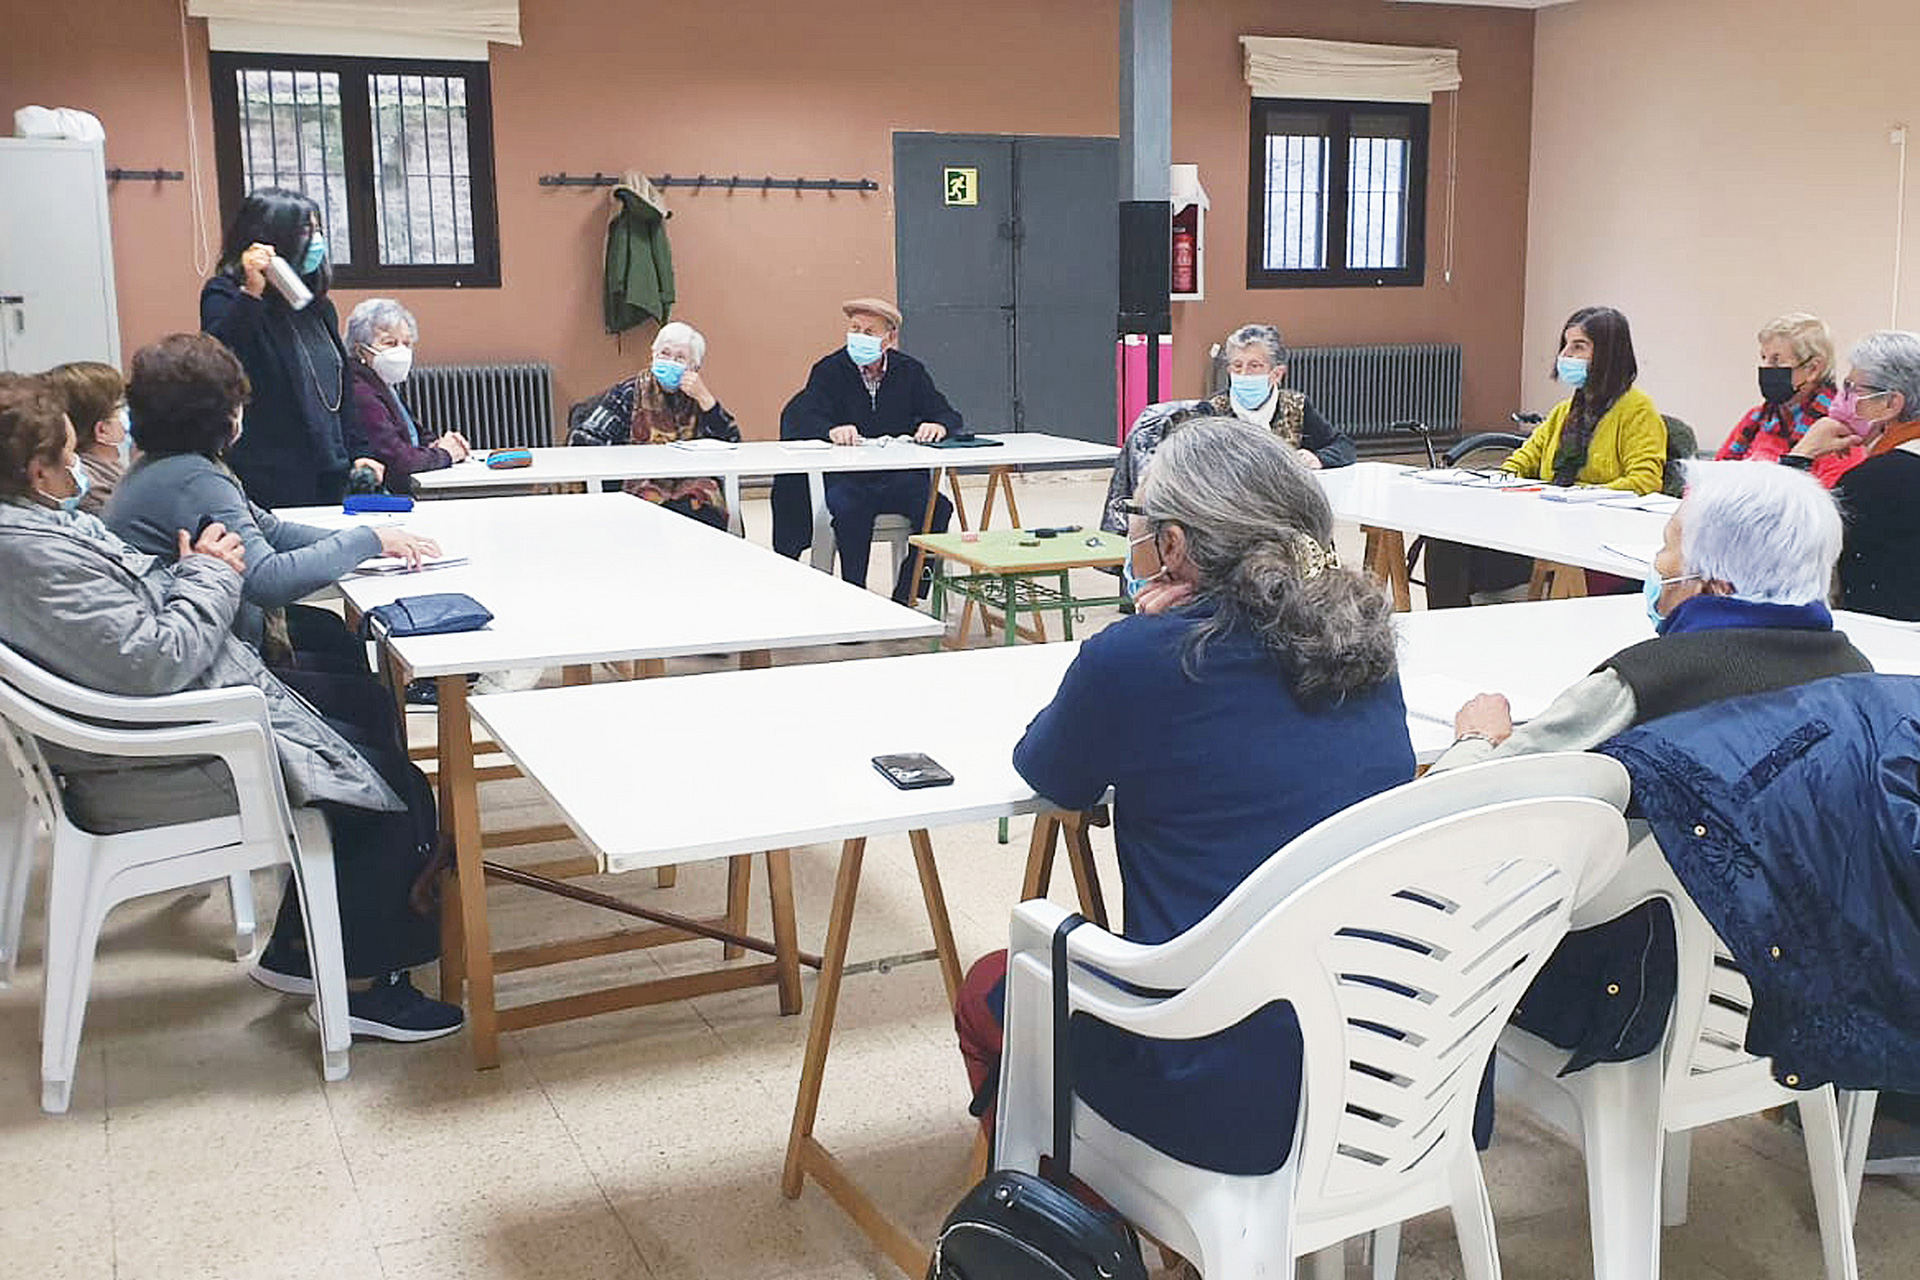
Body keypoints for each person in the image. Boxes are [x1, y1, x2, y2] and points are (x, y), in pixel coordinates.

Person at [954, 419, 1415, 1176]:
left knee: (993, 987)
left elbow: (1050, 770)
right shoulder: (1366, 645)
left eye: (1141, 520)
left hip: (1220, 1092)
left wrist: (1131, 635)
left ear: (1172, 546)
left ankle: (1078, 1202)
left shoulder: (1138, 660)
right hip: (1392, 1061)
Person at [0, 379, 461, 1040]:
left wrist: (198, 574)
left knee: (367, 749)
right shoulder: (32, 554)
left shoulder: (40, 532)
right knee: (386, 785)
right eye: (69, 456)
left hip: (161, 732)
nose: (80, 467)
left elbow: (147, 609)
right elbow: (155, 658)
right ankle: (368, 990)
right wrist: (210, 573)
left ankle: (298, 953)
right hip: (157, 760)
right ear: (37, 472)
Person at [105, 333, 439, 671]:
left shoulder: (168, 466)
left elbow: (271, 531)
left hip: (207, 636)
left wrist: (373, 542)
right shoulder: (194, 479)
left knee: (334, 634)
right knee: (360, 689)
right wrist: (366, 541)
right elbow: (268, 580)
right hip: (215, 658)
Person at [1424, 306, 1668, 608]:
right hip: (1546, 525)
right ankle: (1448, 623)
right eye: (1565, 345)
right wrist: (1498, 479)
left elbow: (1645, 482)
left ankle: (1457, 617)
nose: (1565, 355)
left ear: (1608, 353)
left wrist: (1579, 495)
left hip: (1592, 537)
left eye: (1578, 346)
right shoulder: (1565, 411)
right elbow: (1523, 459)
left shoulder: (1638, 410)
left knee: (1458, 553)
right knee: (1446, 537)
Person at [201, 187, 384, 509]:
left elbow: (340, 390)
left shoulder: (318, 308)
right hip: (269, 475)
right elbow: (221, 360)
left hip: (331, 469)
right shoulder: (226, 296)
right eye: (304, 231)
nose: (315, 241)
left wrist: (361, 452)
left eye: (317, 230)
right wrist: (252, 292)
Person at [1100, 323, 1355, 536]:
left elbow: (1343, 446)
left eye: (1254, 366)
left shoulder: (1296, 406)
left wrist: (1318, 458)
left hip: (1286, 518)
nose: (1244, 374)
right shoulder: (1212, 411)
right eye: (1237, 366)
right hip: (1231, 522)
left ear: (1276, 374)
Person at [785, 298, 961, 601]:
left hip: (900, 477)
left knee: (938, 508)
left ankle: (908, 594)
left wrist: (938, 425)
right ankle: (857, 597)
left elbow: (947, 414)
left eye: (869, 332)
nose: (859, 337)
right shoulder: (829, 370)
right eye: (855, 329)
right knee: (850, 511)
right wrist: (830, 430)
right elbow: (804, 417)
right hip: (849, 478)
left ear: (889, 338)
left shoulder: (910, 371)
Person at [1776, 330, 1920, 621]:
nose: (1839, 401)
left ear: (1891, 404)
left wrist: (1802, 454)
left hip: (1880, 636)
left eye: (1852, 389)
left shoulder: (1876, 481)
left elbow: (1775, 543)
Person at [567, 320, 741, 528]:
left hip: (690, 482)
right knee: (658, 512)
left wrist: (706, 399)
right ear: (653, 355)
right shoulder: (629, 393)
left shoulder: (697, 398)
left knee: (700, 506)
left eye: (680, 358)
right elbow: (584, 439)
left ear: (694, 367)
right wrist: (625, 461)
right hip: (640, 482)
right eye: (664, 354)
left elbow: (732, 445)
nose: (670, 362)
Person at [1717, 312, 1860, 488]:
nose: (1765, 368)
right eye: (1764, 358)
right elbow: (1713, 477)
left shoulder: (1836, 430)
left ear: (1813, 369)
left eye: (1776, 360)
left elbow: (1826, 499)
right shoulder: (1756, 418)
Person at [345, 298, 471, 495]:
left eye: (406, 343)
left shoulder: (382, 384)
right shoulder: (360, 391)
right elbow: (398, 460)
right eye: (389, 343)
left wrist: (438, 444)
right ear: (360, 349)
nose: (401, 351)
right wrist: (445, 454)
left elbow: (415, 434)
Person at [40, 360, 131, 514]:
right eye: (121, 406)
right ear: (102, 430)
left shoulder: (108, 466)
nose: (129, 411)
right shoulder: (92, 490)